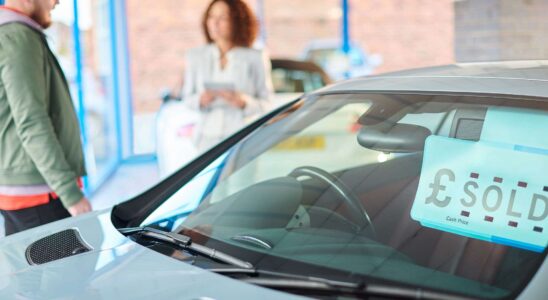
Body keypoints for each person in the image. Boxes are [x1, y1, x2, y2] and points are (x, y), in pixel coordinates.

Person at [0, 0, 91, 236]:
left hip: (22, 189)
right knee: (73, 270)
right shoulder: (18, 37)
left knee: (27, 272)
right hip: (40, 192)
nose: (57, 1)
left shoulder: (11, 33)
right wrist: (70, 194)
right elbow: (32, 121)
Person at [183, 0, 273, 151]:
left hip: (244, 139)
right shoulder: (195, 56)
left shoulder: (255, 57)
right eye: (211, 17)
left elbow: (267, 103)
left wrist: (243, 102)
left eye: (223, 18)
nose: (215, 23)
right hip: (206, 139)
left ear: (237, 21)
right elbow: (187, 98)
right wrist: (201, 99)